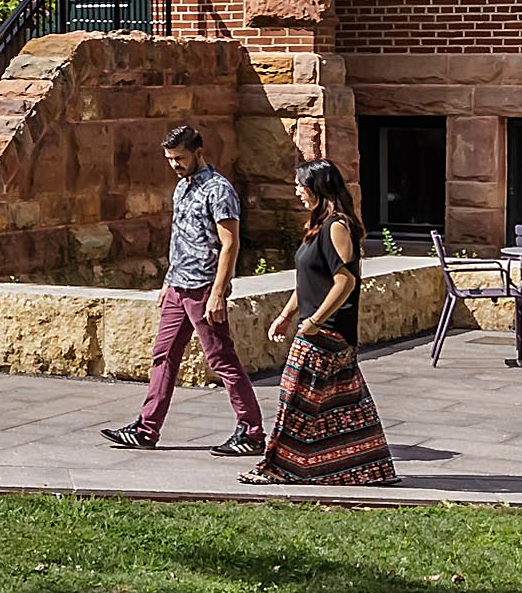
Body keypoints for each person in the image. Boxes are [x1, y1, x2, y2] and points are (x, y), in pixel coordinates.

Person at [104, 124, 263, 457]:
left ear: (199, 153)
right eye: (170, 159)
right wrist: (167, 281)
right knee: (163, 356)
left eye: (180, 158)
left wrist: (219, 292)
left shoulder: (219, 190)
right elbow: (180, 237)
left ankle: (251, 432)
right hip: (178, 287)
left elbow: (230, 243)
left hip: (204, 288)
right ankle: (147, 429)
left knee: (222, 359)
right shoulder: (182, 188)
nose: (175, 164)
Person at [243, 157, 397, 486]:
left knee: (295, 399)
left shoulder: (337, 227)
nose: (297, 191)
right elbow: (310, 280)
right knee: (345, 403)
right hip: (317, 327)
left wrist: (313, 321)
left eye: (301, 185)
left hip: (327, 332)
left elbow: (345, 282)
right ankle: (373, 469)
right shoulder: (317, 229)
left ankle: (279, 468)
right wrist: (285, 315)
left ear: (317, 188)